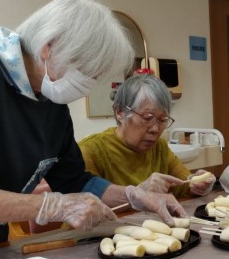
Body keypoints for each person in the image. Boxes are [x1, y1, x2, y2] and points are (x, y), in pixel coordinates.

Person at [0, 0, 186, 256]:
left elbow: (74, 180)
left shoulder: (51, 101)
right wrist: (53, 207)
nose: (87, 85)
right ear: (48, 47)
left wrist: (131, 195)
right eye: (87, 72)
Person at [78, 74, 216, 197]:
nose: (155, 129)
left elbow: (185, 184)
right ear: (120, 112)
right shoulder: (91, 151)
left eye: (163, 120)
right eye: (147, 117)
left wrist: (199, 185)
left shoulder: (159, 147)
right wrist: (138, 193)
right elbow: (82, 205)